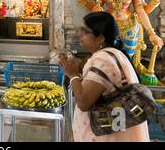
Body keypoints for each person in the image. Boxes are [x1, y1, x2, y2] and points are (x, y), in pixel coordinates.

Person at [59, 11, 150, 142]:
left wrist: (73, 74)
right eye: (80, 29)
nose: (79, 34)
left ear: (101, 38)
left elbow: (83, 102)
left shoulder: (103, 60)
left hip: (106, 136)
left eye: (85, 31)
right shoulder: (114, 54)